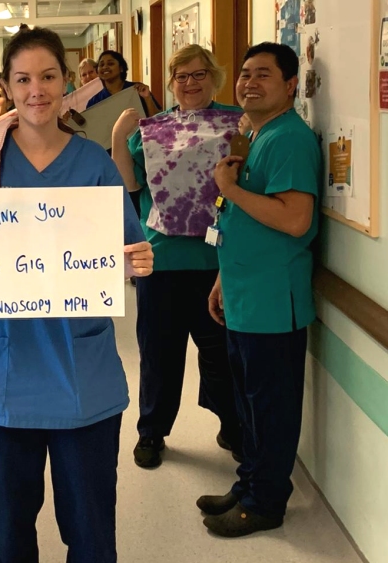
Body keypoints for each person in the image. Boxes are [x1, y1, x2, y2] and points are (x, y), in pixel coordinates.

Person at [0, 26, 153, 563]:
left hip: (81, 377)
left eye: (48, 76)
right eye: (23, 79)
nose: (36, 89)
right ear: (7, 85)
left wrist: (140, 259)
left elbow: (128, 247)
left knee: (91, 538)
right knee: (9, 538)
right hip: (2, 376)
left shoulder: (92, 164)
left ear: (65, 84)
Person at [198, 42, 321, 537]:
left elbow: (295, 220)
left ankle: (265, 503)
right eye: (245, 73)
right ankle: (248, 482)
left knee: (269, 407)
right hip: (246, 294)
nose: (249, 82)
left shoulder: (288, 139)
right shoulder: (257, 135)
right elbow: (246, 219)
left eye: (263, 74)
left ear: (291, 85)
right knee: (248, 402)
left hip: (273, 302)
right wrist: (223, 276)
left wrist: (230, 189)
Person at [111, 44, 242, 470]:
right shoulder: (153, 129)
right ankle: (151, 432)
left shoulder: (235, 124)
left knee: (221, 353)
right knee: (159, 355)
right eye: (181, 76)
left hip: (215, 262)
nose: (190, 83)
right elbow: (128, 182)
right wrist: (117, 136)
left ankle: (231, 425)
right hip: (161, 260)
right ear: (170, 82)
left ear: (214, 77)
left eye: (199, 74)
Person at [86, 50, 160, 118]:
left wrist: (147, 98)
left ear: (121, 68)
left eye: (110, 63)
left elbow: (158, 120)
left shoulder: (138, 90)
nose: (105, 67)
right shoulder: (94, 102)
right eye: (101, 65)